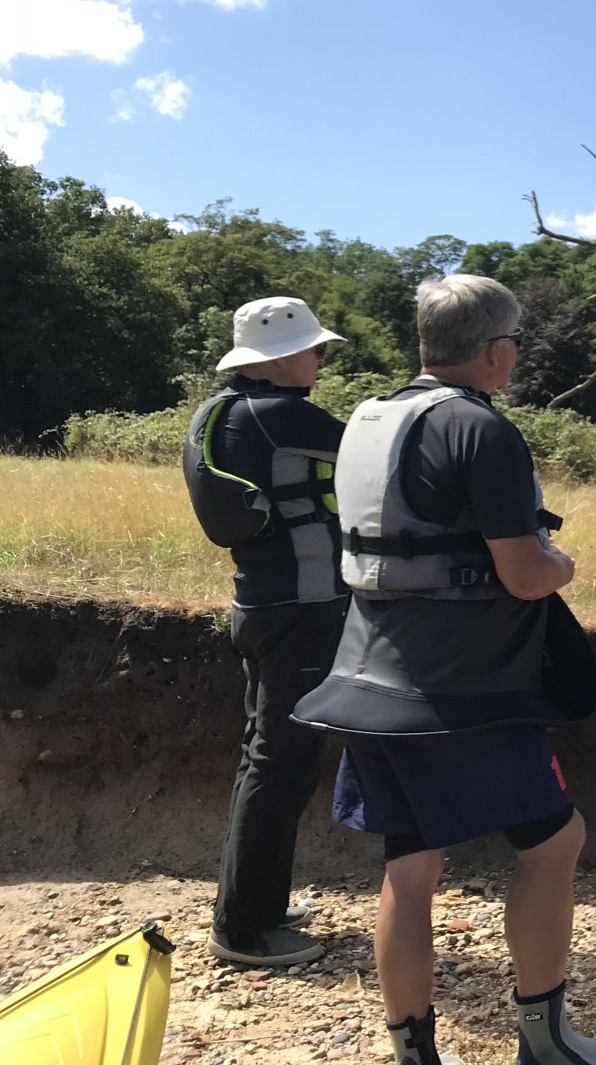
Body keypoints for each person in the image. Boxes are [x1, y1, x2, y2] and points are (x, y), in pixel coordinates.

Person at [292, 275, 596, 1065]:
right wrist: (563, 562)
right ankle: (546, 1045)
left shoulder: (368, 420)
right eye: (513, 343)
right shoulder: (481, 430)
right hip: (463, 689)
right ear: (493, 351)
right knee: (554, 843)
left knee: (409, 868)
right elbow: (523, 572)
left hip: (366, 676)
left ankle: (416, 1056)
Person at [182, 296, 349, 969]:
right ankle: (245, 928)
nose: (319, 359)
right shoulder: (286, 415)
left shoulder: (220, 413)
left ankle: (257, 903)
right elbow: (382, 453)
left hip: (261, 605)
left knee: (267, 760)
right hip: (300, 613)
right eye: (313, 349)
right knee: (282, 767)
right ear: (279, 359)